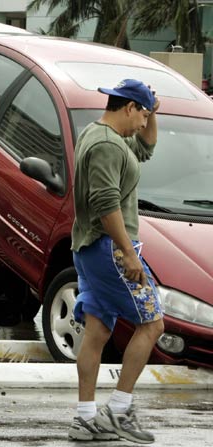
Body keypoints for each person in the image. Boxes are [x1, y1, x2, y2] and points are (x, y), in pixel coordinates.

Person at [68, 79, 165, 444]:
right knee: (153, 325)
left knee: (98, 331)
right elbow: (106, 203)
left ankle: (85, 419)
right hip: (110, 247)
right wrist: (127, 251)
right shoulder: (108, 146)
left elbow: (145, 148)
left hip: (90, 247)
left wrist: (153, 112)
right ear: (128, 108)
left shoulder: (98, 134)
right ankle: (119, 413)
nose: (144, 122)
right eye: (142, 114)